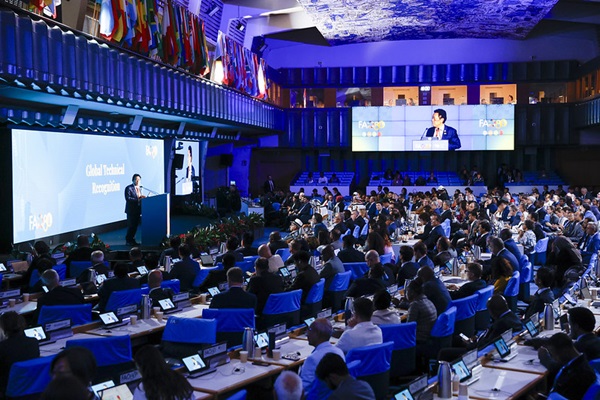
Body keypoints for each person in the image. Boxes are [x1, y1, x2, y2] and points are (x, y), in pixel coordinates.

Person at [539, 333, 596, 399]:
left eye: (553, 353)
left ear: (565, 350)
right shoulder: (580, 363)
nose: (554, 358)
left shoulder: (579, 375)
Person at [300, 318, 345, 392]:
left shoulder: (312, 359)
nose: (307, 334)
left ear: (317, 333)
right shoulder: (339, 351)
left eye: (309, 330)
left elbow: (304, 388)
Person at [0, 312, 40, 394]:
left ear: (3, 327)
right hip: (32, 387)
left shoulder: (2, 347)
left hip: (8, 389)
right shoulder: (33, 342)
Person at [405, 279, 437, 344]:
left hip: (420, 340)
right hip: (429, 337)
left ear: (412, 292)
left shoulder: (415, 305)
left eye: (407, 291)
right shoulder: (427, 300)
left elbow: (408, 328)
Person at [124, 173, 145, 246]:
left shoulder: (139, 188)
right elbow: (128, 198)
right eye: (136, 179)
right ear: (133, 180)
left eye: (139, 179)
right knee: (131, 226)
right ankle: (128, 240)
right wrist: (138, 200)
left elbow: (139, 197)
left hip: (137, 210)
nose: (138, 181)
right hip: (131, 211)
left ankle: (132, 240)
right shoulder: (129, 188)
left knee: (135, 226)